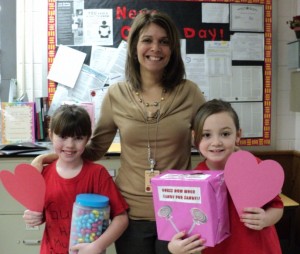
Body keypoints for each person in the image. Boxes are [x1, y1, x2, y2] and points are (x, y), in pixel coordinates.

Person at [32, 10, 206, 254]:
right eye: (147, 40)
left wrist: (242, 166)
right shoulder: (116, 94)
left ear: (172, 49)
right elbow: (94, 150)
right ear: (134, 46)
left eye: (164, 41)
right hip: (130, 214)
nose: (155, 48)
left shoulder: (190, 92)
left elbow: (212, 144)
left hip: (178, 210)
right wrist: (49, 158)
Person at [168, 99, 283, 254]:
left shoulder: (254, 167)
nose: (216, 142)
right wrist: (175, 246)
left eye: (225, 134)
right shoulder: (195, 179)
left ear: (238, 135)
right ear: (195, 138)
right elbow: (184, 224)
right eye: (206, 135)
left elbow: (277, 206)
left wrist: (266, 219)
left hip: (259, 248)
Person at [24, 104, 129, 254]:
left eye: (78, 138)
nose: (70, 145)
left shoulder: (97, 174)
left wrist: (97, 246)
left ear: (88, 138)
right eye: (63, 137)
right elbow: (42, 213)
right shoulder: (43, 174)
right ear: (50, 134)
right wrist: (34, 216)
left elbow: (121, 218)